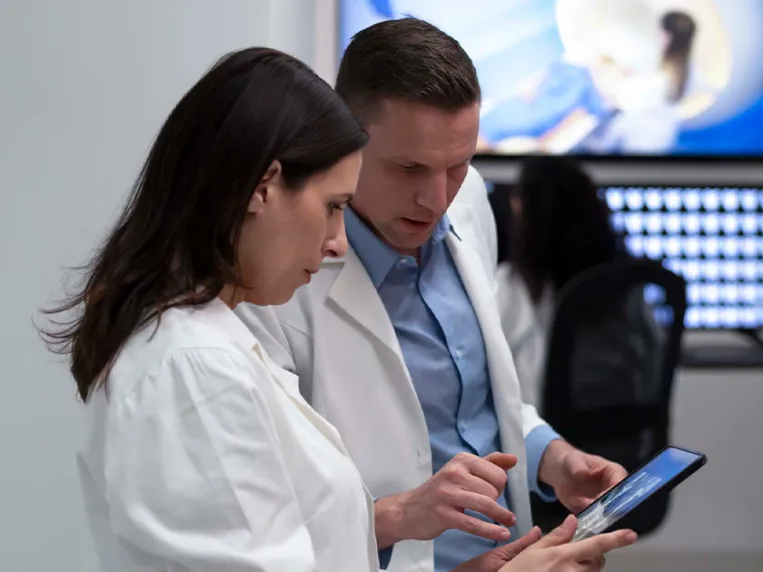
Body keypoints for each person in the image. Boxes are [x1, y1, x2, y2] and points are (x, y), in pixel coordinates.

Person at [39, 47, 634, 572]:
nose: (337, 242)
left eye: (457, 169)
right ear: (263, 189)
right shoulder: (196, 368)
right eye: (332, 206)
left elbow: (311, 541)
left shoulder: (212, 342)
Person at [233, 19, 630, 572]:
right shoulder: (276, 281)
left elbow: (480, 399)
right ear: (343, 140)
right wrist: (401, 517)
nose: (436, 198)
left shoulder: (469, 202)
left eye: (457, 164)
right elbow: (271, 514)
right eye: (409, 168)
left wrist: (550, 457)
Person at [495, 156, 659, 410]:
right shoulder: (627, 285)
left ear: (526, 211)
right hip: (624, 440)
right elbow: (652, 364)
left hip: (542, 441)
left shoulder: (512, 284)